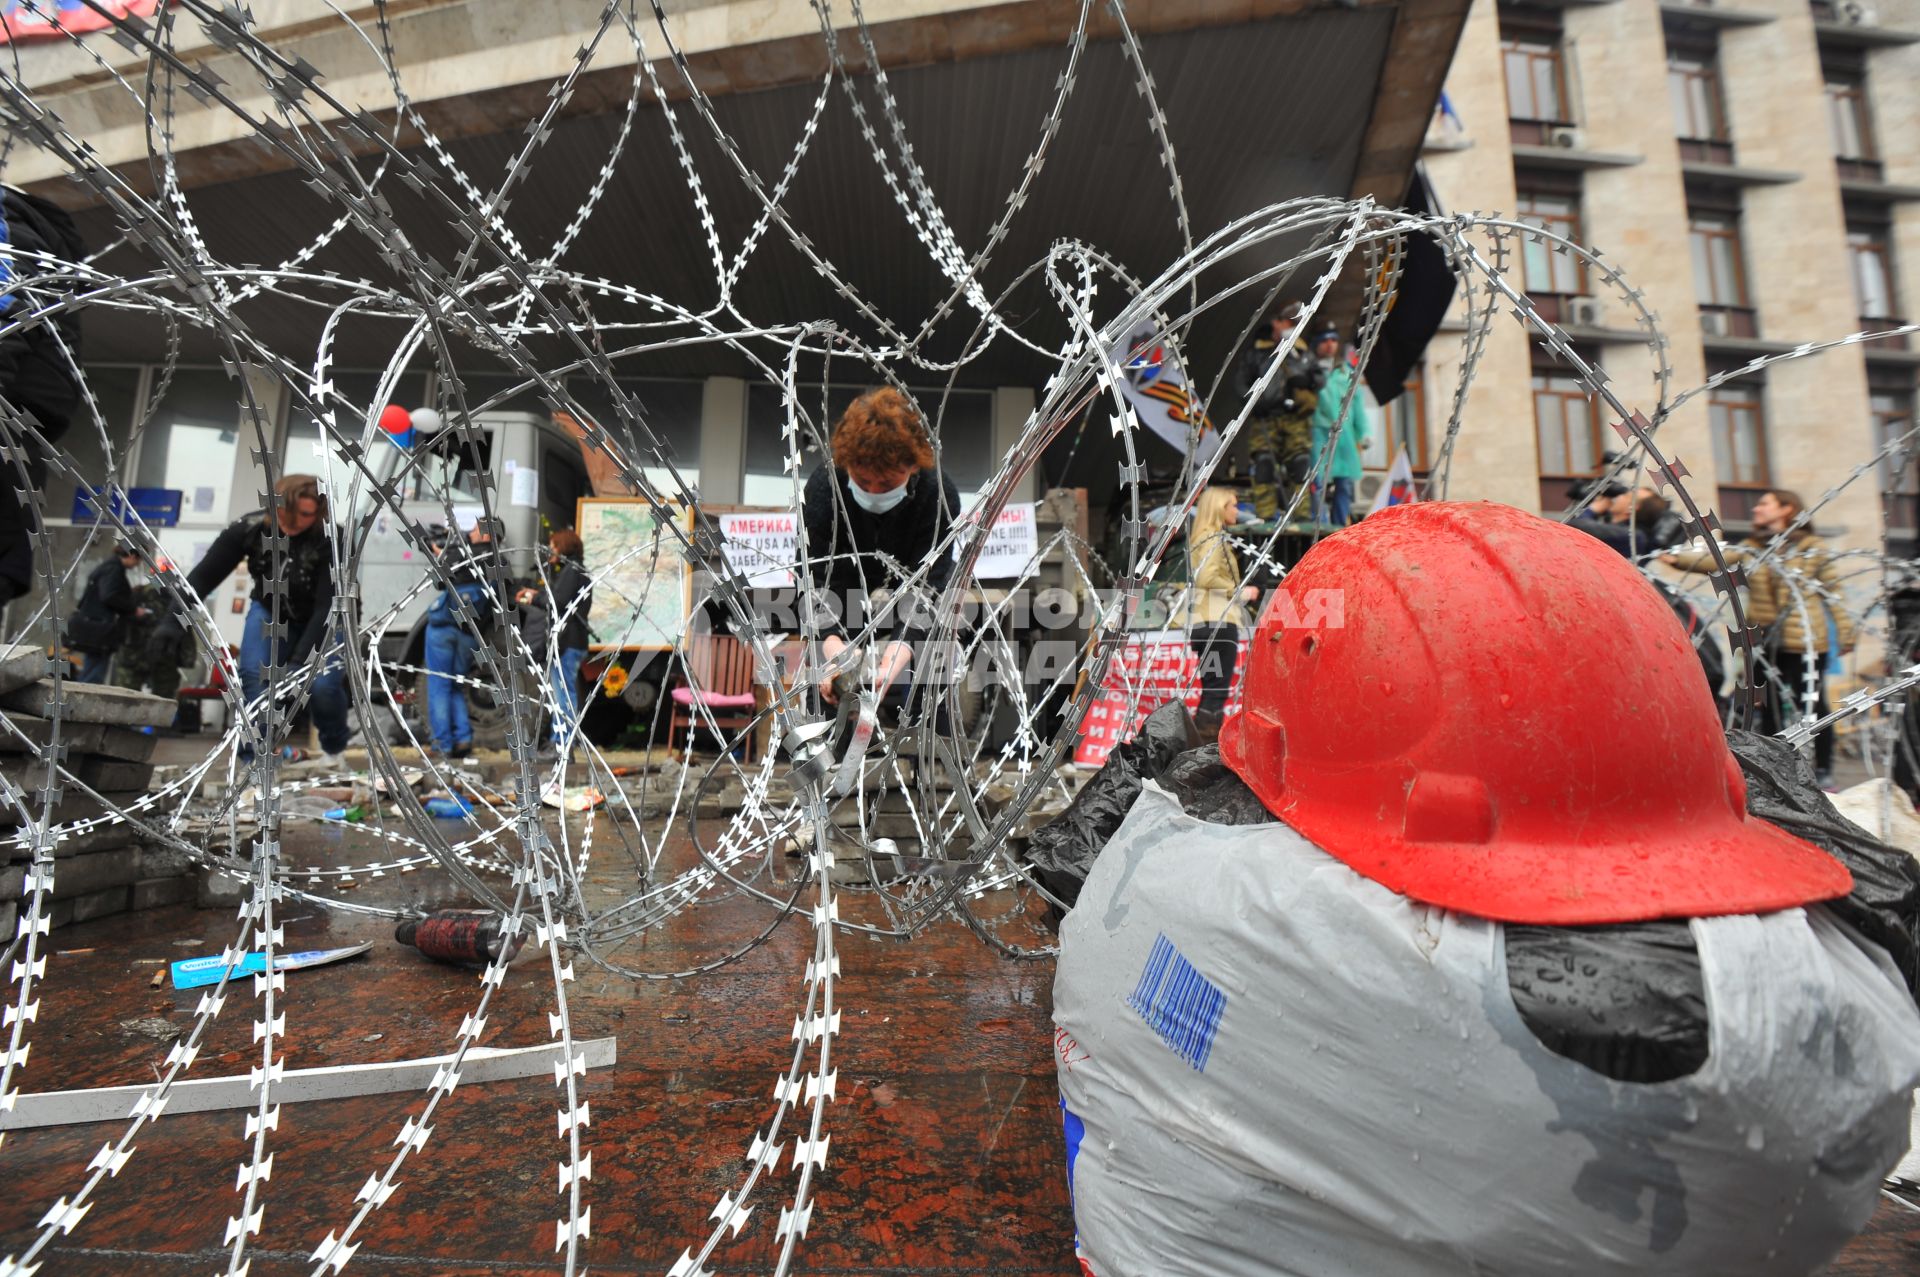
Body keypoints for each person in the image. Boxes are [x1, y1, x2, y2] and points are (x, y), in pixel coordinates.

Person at [1665, 488, 1854, 785]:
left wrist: (1846, 632)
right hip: (1766, 640)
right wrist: (1676, 559)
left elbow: (1833, 591)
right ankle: (1779, 768)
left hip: (1803, 641)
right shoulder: (1754, 547)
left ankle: (1824, 769)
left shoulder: (1810, 546)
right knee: (1769, 704)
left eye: (1765, 504)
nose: (1756, 509)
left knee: (1813, 702)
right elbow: (1717, 558)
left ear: (1786, 509)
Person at [162, 473, 349, 764]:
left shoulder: (330, 539)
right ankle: (257, 759)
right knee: (253, 675)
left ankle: (334, 746)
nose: (295, 521)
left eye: (306, 515)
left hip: (326, 616)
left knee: (322, 687)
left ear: (318, 513)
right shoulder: (247, 529)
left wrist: (299, 662)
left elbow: (327, 605)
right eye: (287, 512)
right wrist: (170, 621)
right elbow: (202, 577)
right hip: (270, 611)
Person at [800, 386, 961, 716]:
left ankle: (923, 745)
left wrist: (896, 655)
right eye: (863, 480)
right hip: (845, 584)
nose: (873, 491)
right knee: (829, 676)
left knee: (931, 655)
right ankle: (830, 752)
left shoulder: (937, 493)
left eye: (886, 484)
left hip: (910, 579)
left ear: (913, 468)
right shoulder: (824, 487)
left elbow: (930, 585)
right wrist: (833, 645)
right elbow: (816, 576)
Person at [0, 185, 86, 610]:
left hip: (9, 395)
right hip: (30, 403)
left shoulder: (8, 231)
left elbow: (5, 315)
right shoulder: (37, 239)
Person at [1172, 487, 1259, 745]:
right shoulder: (1214, 538)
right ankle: (1205, 750)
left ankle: (1200, 749)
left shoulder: (1203, 537)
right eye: (1232, 505)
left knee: (1212, 688)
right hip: (1218, 624)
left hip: (1205, 623)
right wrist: (1239, 591)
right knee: (1216, 691)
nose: (1237, 511)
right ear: (1219, 508)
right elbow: (1207, 577)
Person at [1232, 302, 1323, 521]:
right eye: (1289, 322)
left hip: (1296, 419)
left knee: (1299, 465)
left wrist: (1307, 379)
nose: (1293, 326)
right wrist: (1255, 403)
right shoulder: (1256, 352)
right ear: (1277, 322)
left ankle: (1301, 517)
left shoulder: (1302, 350)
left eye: (1297, 322)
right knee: (1264, 465)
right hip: (1266, 418)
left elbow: (1320, 377)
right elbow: (1239, 384)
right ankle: (1265, 518)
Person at [423, 521, 497, 757]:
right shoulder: (497, 561)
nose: (470, 532)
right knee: (455, 685)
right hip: (469, 635)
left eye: (475, 529)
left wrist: (436, 553)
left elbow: (439, 582)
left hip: (443, 630)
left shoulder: (462, 556)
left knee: (439, 687)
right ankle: (463, 739)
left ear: (484, 534)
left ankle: (442, 744)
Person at [517, 528, 592, 759]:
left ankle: (561, 745)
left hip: (567, 642)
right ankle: (560, 743)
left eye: (554, 545)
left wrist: (532, 598)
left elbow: (557, 602)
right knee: (564, 692)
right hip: (575, 641)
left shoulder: (572, 570)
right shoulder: (578, 570)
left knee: (563, 695)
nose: (550, 550)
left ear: (564, 547)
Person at [1306, 327, 1370, 527]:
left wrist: (1364, 433)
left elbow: (1358, 405)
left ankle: (1339, 525)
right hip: (1318, 432)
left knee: (1345, 483)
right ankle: (1319, 523)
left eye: (1334, 340)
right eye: (1325, 340)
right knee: (1317, 481)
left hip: (1344, 437)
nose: (1330, 344)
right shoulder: (1308, 369)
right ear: (1317, 344)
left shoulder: (1346, 375)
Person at [64, 543, 137, 683]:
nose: (137, 565)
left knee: (90, 667)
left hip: (95, 626)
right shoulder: (114, 570)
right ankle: (84, 702)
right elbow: (109, 596)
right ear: (132, 556)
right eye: (138, 561)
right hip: (101, 628)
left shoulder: (107, 567)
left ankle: (80, 699)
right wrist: (131, 608)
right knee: (94, 673)